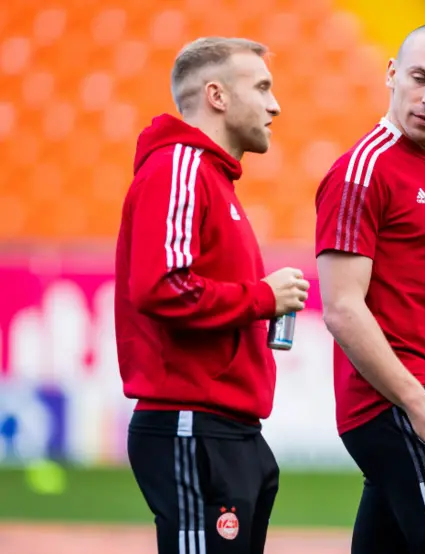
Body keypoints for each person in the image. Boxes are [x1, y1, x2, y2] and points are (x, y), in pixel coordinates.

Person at [114, 37, 310, 554]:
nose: (275, 104)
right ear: (217, 96)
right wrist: (262, 299)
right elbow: (162, 287)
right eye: (262, 87)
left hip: (225, 428)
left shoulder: (211, 178)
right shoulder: (180, 165)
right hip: (191, 425)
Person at [315, 23, 425, 553]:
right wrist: (419, 405)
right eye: (419, 77)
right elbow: (343, 309)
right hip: (398, 402)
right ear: (391, 74)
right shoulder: (363, 171)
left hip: (419, 401)